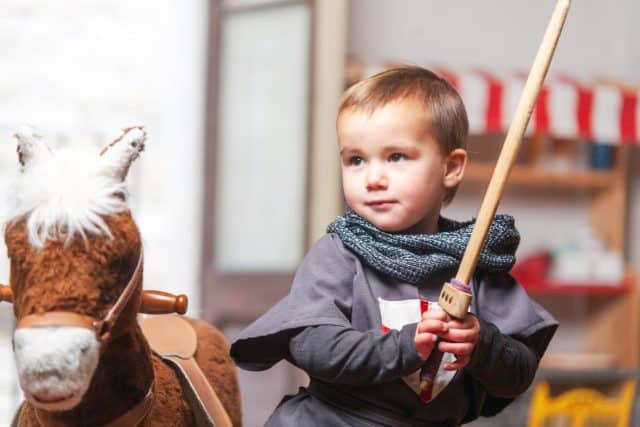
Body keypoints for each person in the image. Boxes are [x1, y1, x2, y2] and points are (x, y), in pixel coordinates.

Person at [230, 66, 558, 426]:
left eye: (396, 157)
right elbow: (313, 346)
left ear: (451, 167)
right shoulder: (339, 252)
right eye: (356, 160)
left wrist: (481, 345)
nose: (373, 178)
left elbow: (518, 373)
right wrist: (403, 348)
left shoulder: (476, 262)